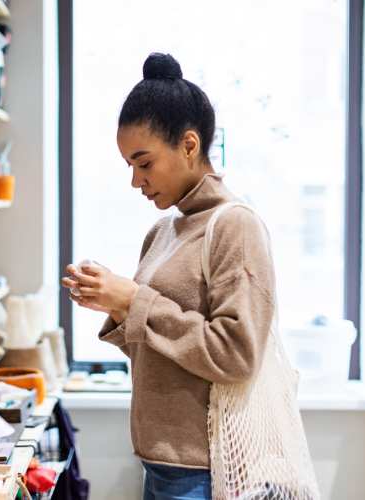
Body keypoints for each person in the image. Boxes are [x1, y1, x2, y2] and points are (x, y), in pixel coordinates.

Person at [61, 52, 275, 500]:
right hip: (161, 459)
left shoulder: (235, 225)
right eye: (129, 167)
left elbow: (236, 355)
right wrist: (115, 303)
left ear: (190, 146)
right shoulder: (164, 230)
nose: (136, 181)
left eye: (144, 162)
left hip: (204, 468)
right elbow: (157, 350)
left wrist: (134, 300)